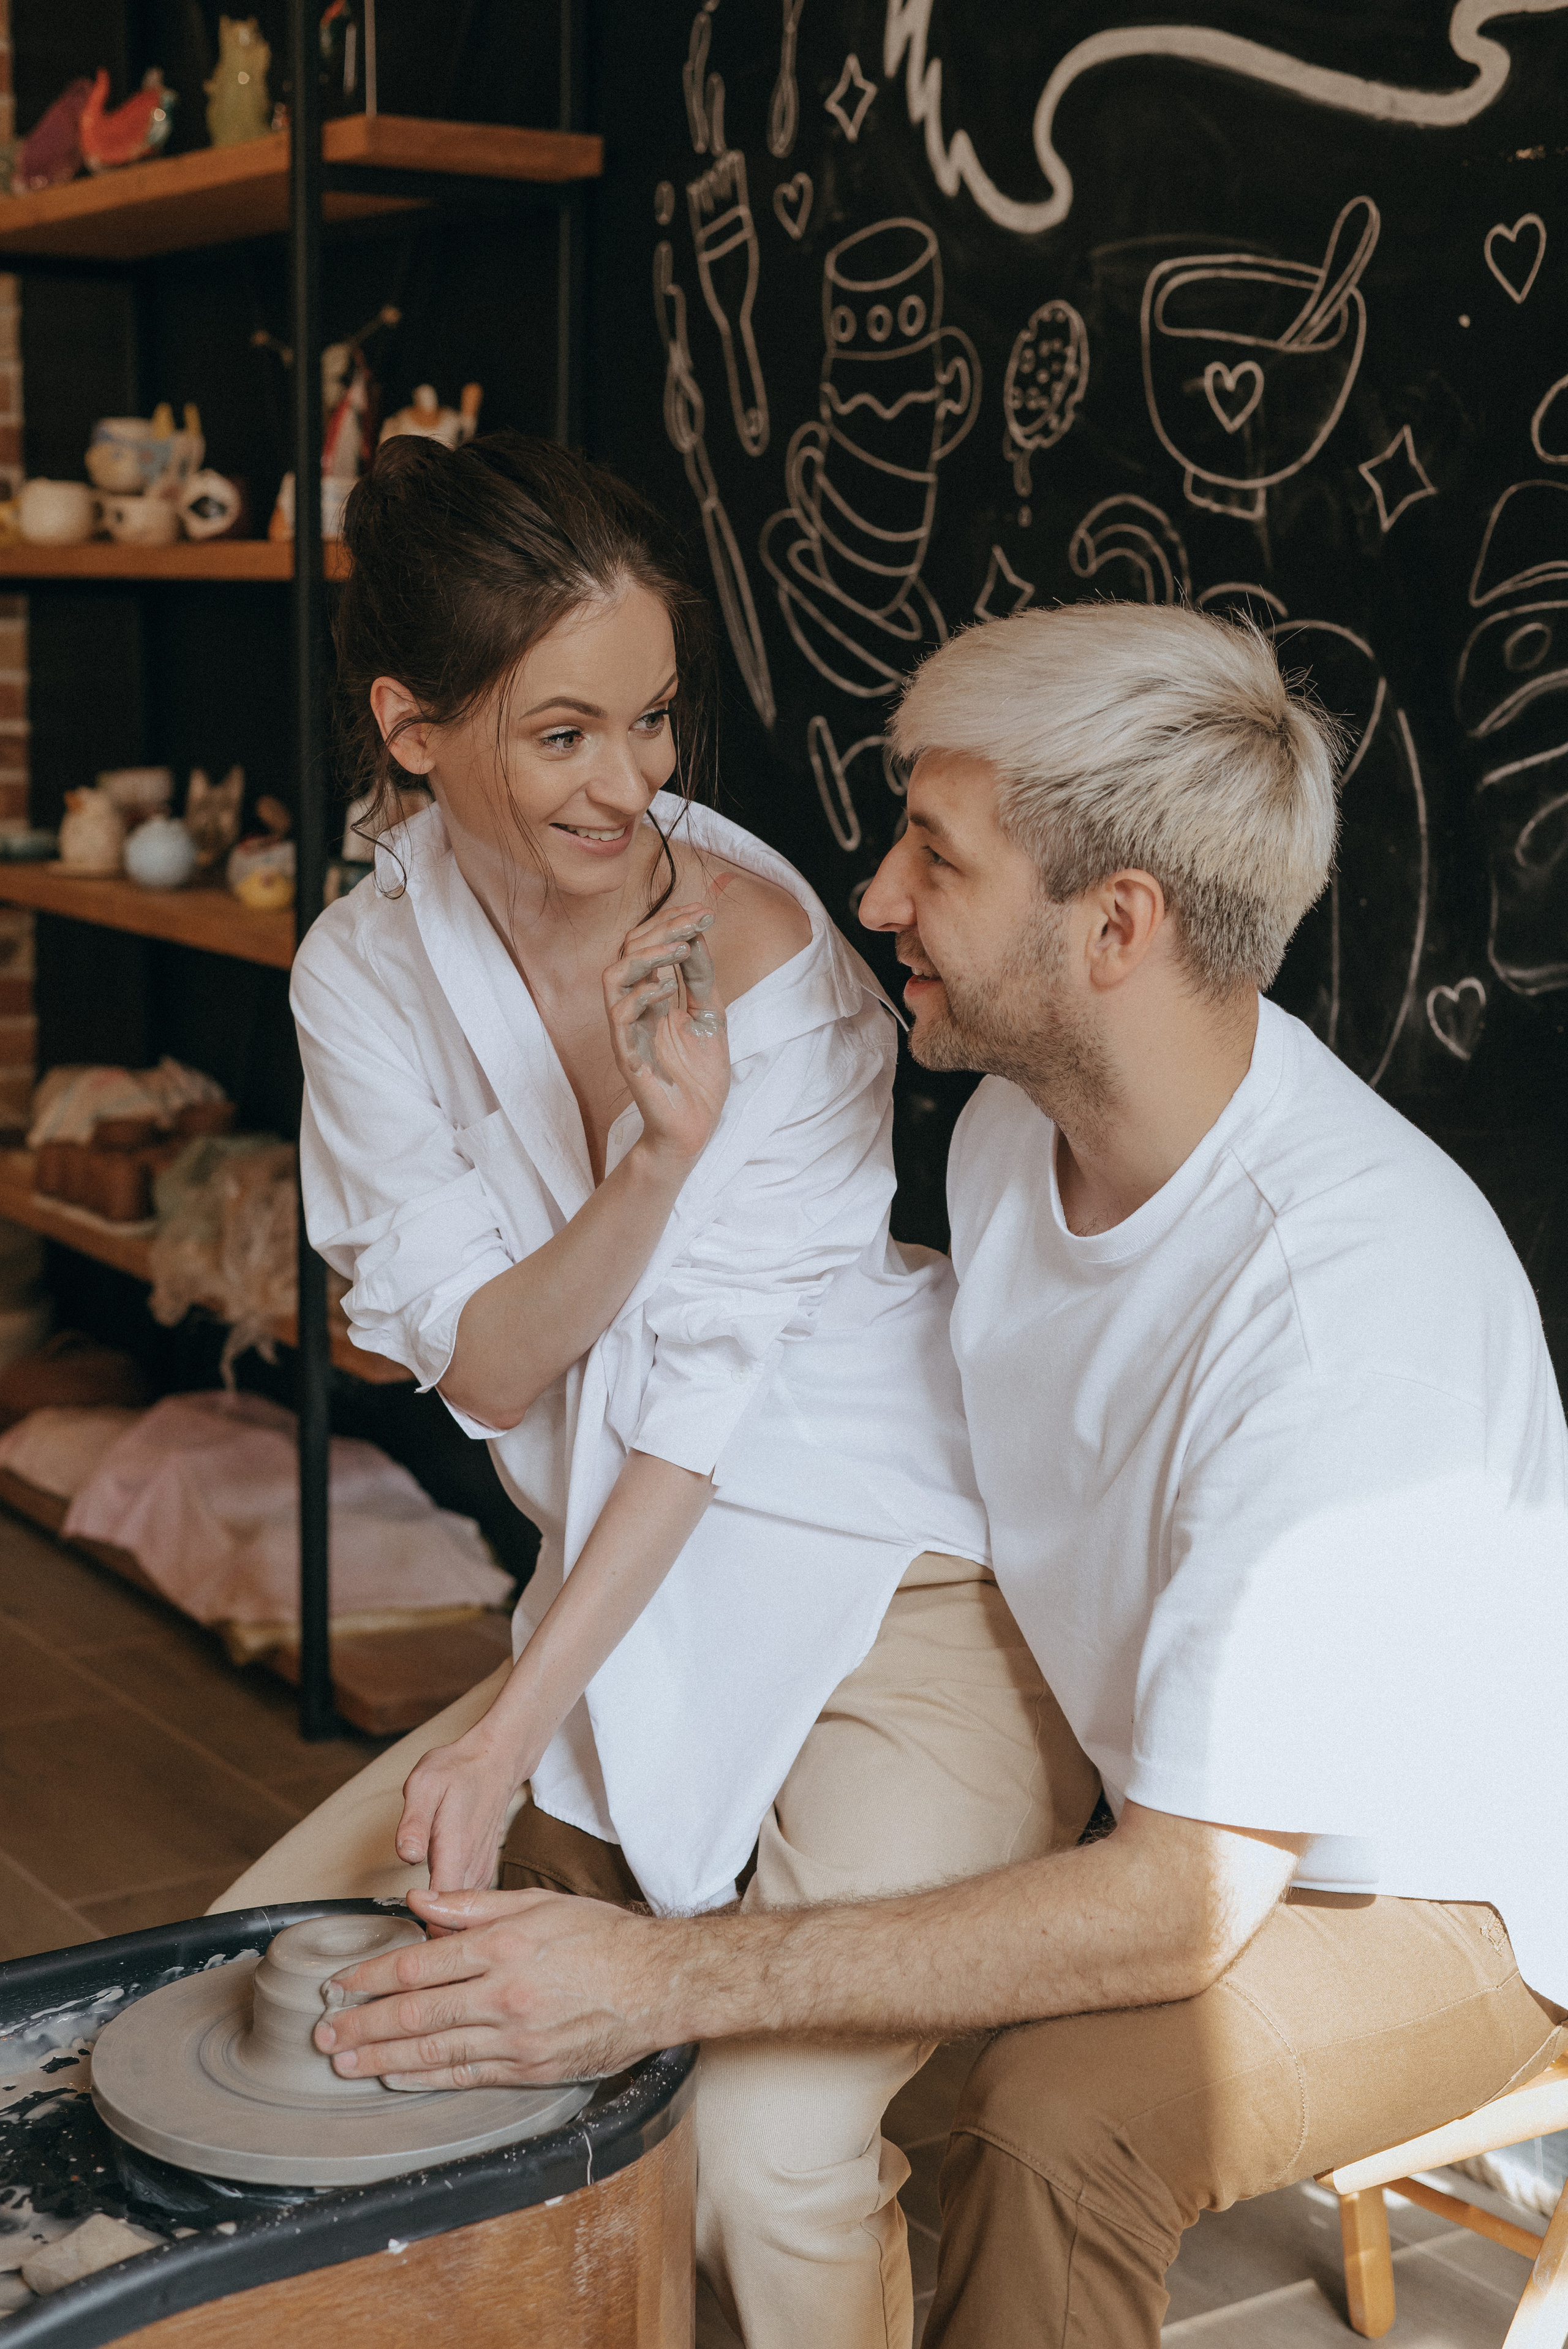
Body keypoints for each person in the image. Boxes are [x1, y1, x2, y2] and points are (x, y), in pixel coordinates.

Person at [308, 600, 1568, 2345]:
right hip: (1171, 1792)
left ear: (1114, 924)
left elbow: (1193, 1892)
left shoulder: (1341, 1309)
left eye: (936, 853)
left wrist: (664, 1974)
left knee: (1046, 2126)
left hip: (1438, 1884)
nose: (878, 895)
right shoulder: (1007, 1139)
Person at [215, 433, 1098, 2349]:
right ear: (415, 727)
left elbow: (696, 1414)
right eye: (563, 736)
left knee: (769, 2157)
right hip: (636, 1583)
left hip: (899, 1585)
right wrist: (645, 1169)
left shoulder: (769, 959)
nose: (635, 782)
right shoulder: (365, 975)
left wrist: (511, 1717)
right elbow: (486, 1352)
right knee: (258, 1970)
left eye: (653, 719)